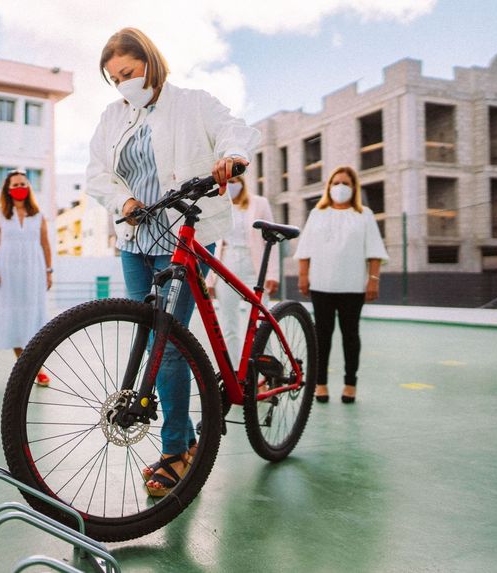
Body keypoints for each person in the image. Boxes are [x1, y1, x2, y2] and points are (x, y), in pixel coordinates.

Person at [86, 27, 260, 496]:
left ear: (150, 61)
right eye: (114, 78)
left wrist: (232, 156)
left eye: (128, 72)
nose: (123, 84)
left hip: (183, 231)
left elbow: (233, 130)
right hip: (135, 236)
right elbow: (98, 172)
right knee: (147, 335)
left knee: (167, 340)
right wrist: (123, 201)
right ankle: (178, 430)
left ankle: (177, 450)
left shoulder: (192, 102)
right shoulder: (112, 116)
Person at [294, 166, 388, 404]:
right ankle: (321, 383)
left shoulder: (364, 214)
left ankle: (349, 384)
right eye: (336, 183)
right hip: (322, 285)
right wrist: (304, 275)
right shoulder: (317, 213)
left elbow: (374, 251)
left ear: (354, 188)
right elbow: (305, 249)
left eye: (345, 183)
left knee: (350, 336)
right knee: (322, 336)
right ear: (329, 187)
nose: (340, 187)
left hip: (353, 286)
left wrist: (373, 280)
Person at [0, 170, 53, 386]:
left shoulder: (38, 215)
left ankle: (34, 365)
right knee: (14, 319)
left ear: (28, 187)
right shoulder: (1, 214)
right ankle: (29, 368)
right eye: (14, 185)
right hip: (8, 273)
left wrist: (49, 271)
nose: (19, 188)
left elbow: (45, 244)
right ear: (7, 189)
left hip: (34, 271)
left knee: (33, 318)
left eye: (22, 183)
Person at [206, 174, 280, 360]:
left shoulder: (260, 203)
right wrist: (210, 279)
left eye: (234, 181)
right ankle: (235, 372)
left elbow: (271, 240)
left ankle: (264, 374)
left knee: (259, 322)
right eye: (227, 182)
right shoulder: (219, 206)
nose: (231, 185)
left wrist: (272, 273)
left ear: (242, 182)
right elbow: (212, 242)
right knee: (228, 324)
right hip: (226, 263)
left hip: (254, 265)